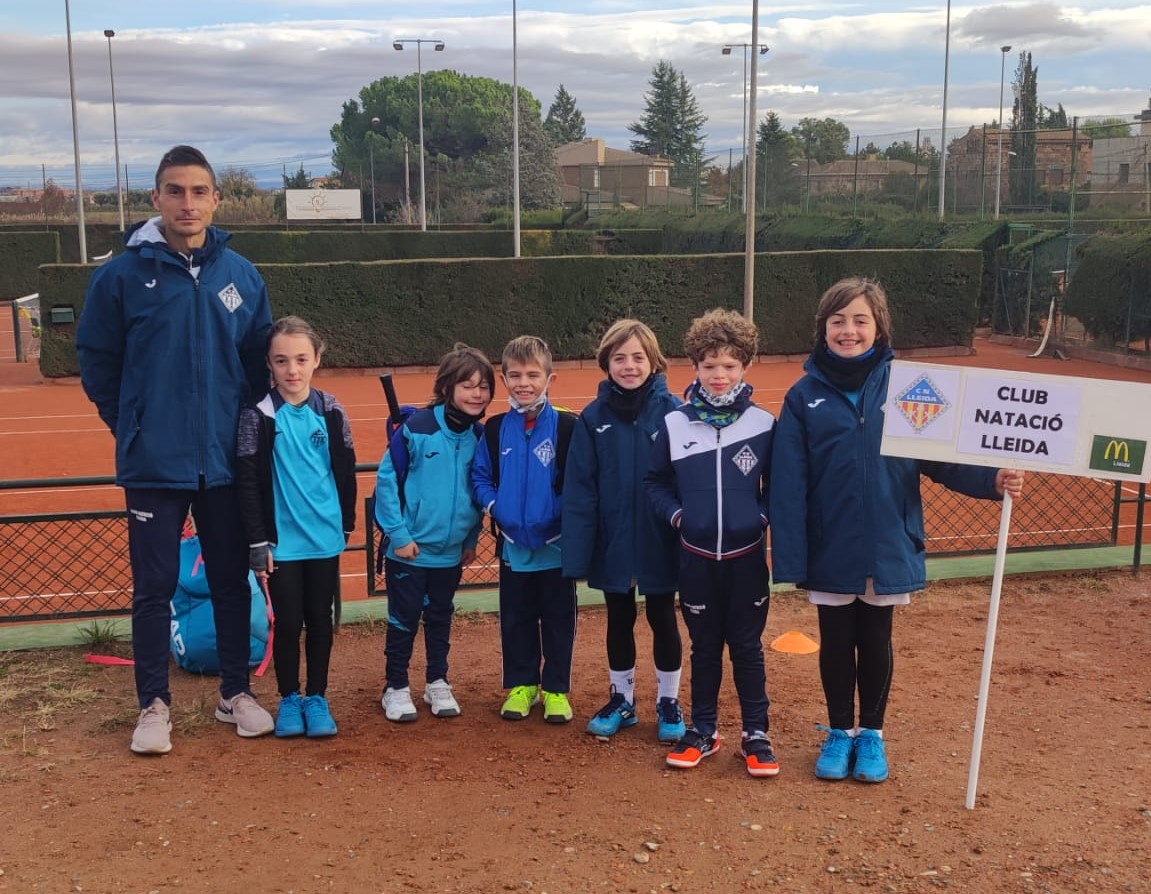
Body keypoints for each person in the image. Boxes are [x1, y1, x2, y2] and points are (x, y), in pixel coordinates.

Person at [769, 277, 1026, 784]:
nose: (848, 330)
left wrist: (992, 479)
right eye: (838, 321)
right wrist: (793, 557)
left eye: (860, 320)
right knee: (835, 641)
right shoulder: (803, 397)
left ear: (879, 327)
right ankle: (839, 732)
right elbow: (788, 483)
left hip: (887, 540)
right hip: (829, 543)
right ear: (823, 328)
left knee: (875, 638)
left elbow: (941, 458)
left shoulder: (908, 387)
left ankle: (871, 735)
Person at [76, 145, 275, 754]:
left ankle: (235, 694)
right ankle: (153, 706)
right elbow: (97, 361)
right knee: (154, 586)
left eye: (199, 191)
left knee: (230, 580)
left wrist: (242, 438)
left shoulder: (241, 275)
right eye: (175, 191)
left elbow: (257, 364)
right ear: (156, 198)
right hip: (153, 463)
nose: (187, 203)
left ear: (217, 199)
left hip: (224, 462)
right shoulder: (121, 277)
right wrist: (131, 426)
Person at [645, 309, 780, 778]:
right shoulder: (675, 423)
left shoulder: (764, 423)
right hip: (696, 560)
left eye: (729, 365)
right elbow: (654, 482)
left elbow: (778, 487)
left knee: (747, 647)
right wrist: (679, 516)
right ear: (695, 366)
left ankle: (756, 733)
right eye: (709, 365)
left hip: (746, 561)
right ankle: (703, 729)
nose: (719, 374)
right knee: (704, 648)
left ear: (745, 365)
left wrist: (758, 517)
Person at [562, 320, 686, 743]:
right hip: (612, 539)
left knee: (662, 616)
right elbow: (580, 487)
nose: (629, 366)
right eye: (619, 358)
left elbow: (686, 480)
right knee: (618, 617)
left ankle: (668, 701)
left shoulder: (675, 412)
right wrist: (580, 550)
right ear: (606, 363)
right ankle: (623, 699)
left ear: (654, 361)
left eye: (638, 357)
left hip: (660, 537)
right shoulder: (592, 418)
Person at [236, 316, 357, 738]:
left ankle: (317, 697)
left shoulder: (332, 410)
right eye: (281, 360)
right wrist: (257, 540)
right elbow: (247, 481)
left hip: (323, 538)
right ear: (269, 364)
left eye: (302, 359)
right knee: (287, 623)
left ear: (317, 359)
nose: (292, 370)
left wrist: (345, 524)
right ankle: (289, 698)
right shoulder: (258, 415)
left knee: (320, 621)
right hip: (281, 543)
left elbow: (345, 471)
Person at [374, 344, 496, 722]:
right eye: (467, 385)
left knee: (440, 617)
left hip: (450, 554)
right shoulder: (418, 429)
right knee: (404, 618)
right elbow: (386, 482)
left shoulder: (480, 437)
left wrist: (471, 539)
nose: (476, 394)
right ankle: (395, 687)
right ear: (446, 388)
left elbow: (477, 492)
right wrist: (399, 536)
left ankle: (437, 681)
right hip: (409, 551)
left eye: (484, 386)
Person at [471, 335, 578, 724]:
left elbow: (579, 482)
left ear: (550, 378)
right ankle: (522, 686)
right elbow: (480, 477)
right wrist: (497, 507)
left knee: (558, 619)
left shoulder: (568, 426)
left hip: (555, 546)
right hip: (513, 545)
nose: (524, 383)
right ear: (504, 379)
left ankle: (556, 690)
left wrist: (554, 512)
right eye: (515, 375)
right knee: (516, 618)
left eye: (533, 375)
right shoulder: (495, 429)